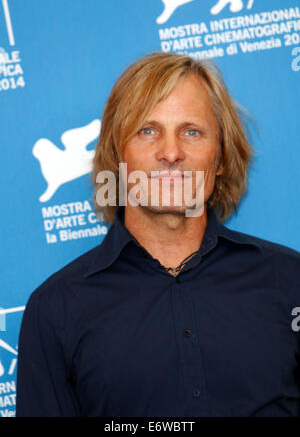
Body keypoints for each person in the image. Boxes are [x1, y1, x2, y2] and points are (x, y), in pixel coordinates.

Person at [16, 52, 300, 417]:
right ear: (117, 156)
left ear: (221, 159)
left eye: (191, 131)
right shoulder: (55, 310)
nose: (170, 152)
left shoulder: (290, 280)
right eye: (147, 130)